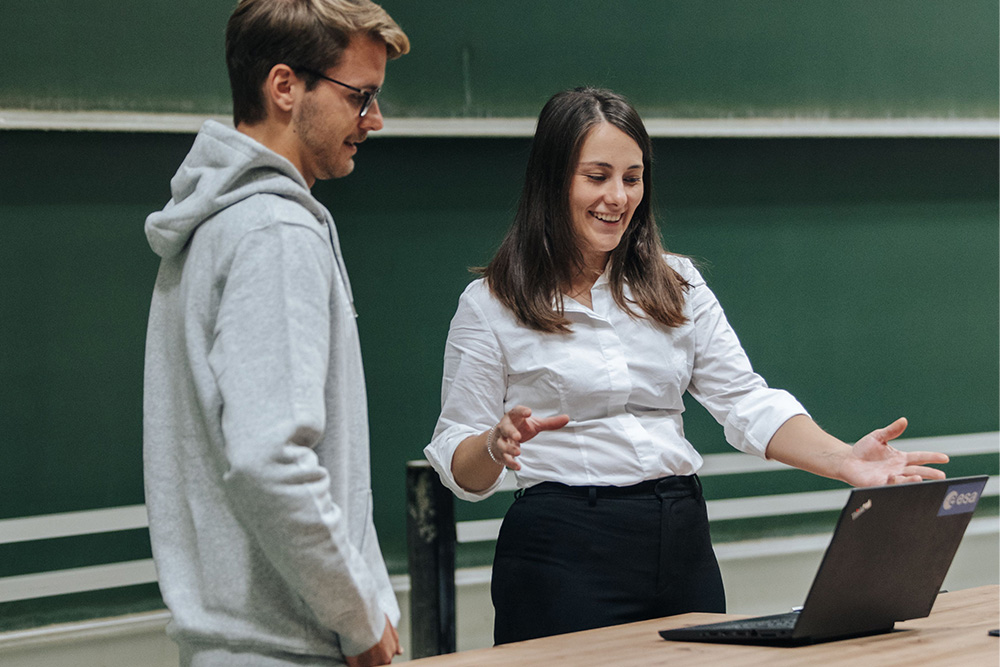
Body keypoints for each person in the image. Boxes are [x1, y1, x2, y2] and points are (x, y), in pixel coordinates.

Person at [423, 87, 950, 645]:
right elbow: (458, 457)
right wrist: (494, 445)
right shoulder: (490, 303)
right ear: (552, 180)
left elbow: (744, 400)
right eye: (596, 176)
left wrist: (846, 460)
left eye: (632, 177)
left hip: (679, 534)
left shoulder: (677, 283)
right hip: (562, 546)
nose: (618, 197)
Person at [143, 1, 409, 665]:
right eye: (361, 97)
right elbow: (270, 458)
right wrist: (361, 618)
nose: (374, 120)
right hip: (288, 648)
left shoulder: (215, 222)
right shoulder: (274, 233)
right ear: (285, 86)